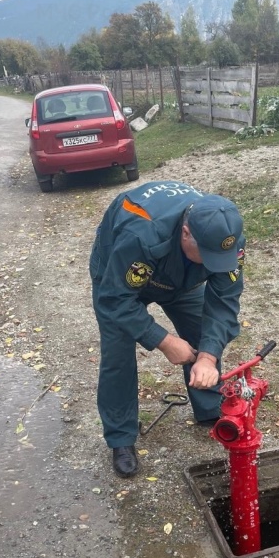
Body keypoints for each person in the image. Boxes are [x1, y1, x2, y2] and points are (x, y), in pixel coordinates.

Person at [89, 180, 245, 478]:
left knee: (202, 334)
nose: (215, 265)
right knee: (118, 355)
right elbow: (115, 298)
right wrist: (162, 340)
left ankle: (210, 409)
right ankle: (121, 438)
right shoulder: (143, 233)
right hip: (118, 277)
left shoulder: (226, 237)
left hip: (180, 277)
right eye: (208, 256)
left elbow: (224, 300)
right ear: (186, 232)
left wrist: (209, 357)